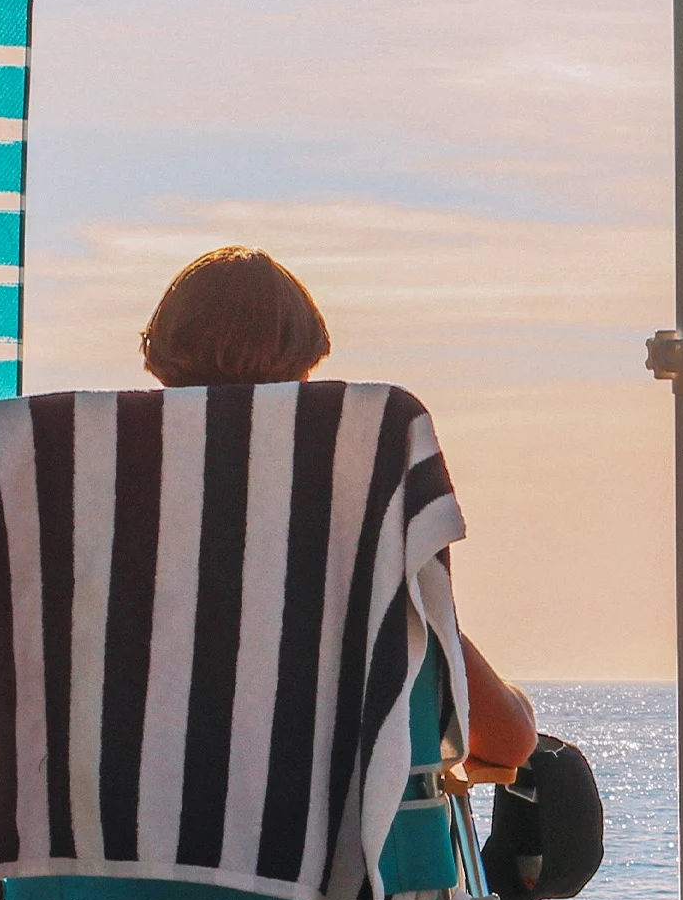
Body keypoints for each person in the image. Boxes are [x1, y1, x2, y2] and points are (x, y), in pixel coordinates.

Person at [140, 245, 537, 785]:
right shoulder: (350, 509)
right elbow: (508, 740)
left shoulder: (98, 512)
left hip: (94, 856)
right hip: (337, 862)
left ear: (162, 366)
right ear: (304, 372)